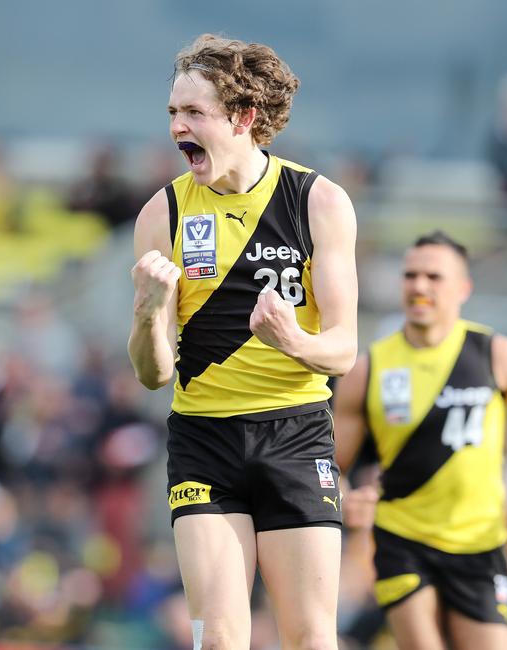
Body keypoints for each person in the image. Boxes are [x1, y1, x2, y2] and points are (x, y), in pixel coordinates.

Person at [127, 34, 358, 650]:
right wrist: (150, 312)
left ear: (244, 117)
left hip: (296, 430)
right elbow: (153, 374)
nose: (178, 126)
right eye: (173, 112)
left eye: (194, 113)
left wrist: (292, 340)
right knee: (218, 638)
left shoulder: (318, 202)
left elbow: (343, 349)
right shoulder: (163, 214)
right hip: (204, 439)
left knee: (310, 636)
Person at [333, 231, 507, 650]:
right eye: (410, 275)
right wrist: (345, 497)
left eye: (433, 276)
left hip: (480, 544)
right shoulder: (369, 368)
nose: (419, 286)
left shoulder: (496, 355)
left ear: (463, 288)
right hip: (402, 540)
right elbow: (331, 466)